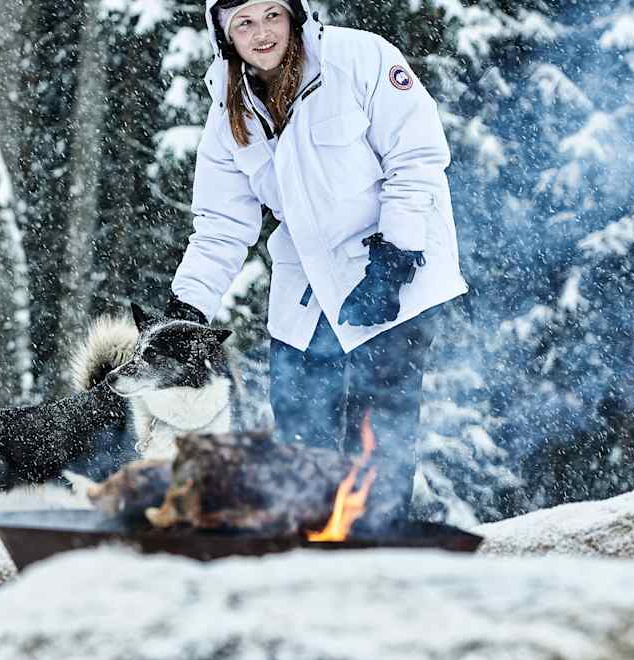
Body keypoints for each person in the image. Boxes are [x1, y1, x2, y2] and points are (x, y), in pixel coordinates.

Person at [163, 0, 469, 527]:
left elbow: (416, 158)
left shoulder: (358, 58)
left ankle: (374, 550)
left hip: (394, 269)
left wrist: (395, 258)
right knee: (300, 429)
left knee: (378, 435)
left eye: (272, 15)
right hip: (307, 284)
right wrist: (186, 305)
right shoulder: (228, 114)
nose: (262, 34)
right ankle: (309, 550)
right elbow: (221, 223)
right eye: (244, 23)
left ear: (295, 15)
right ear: (223, 35)